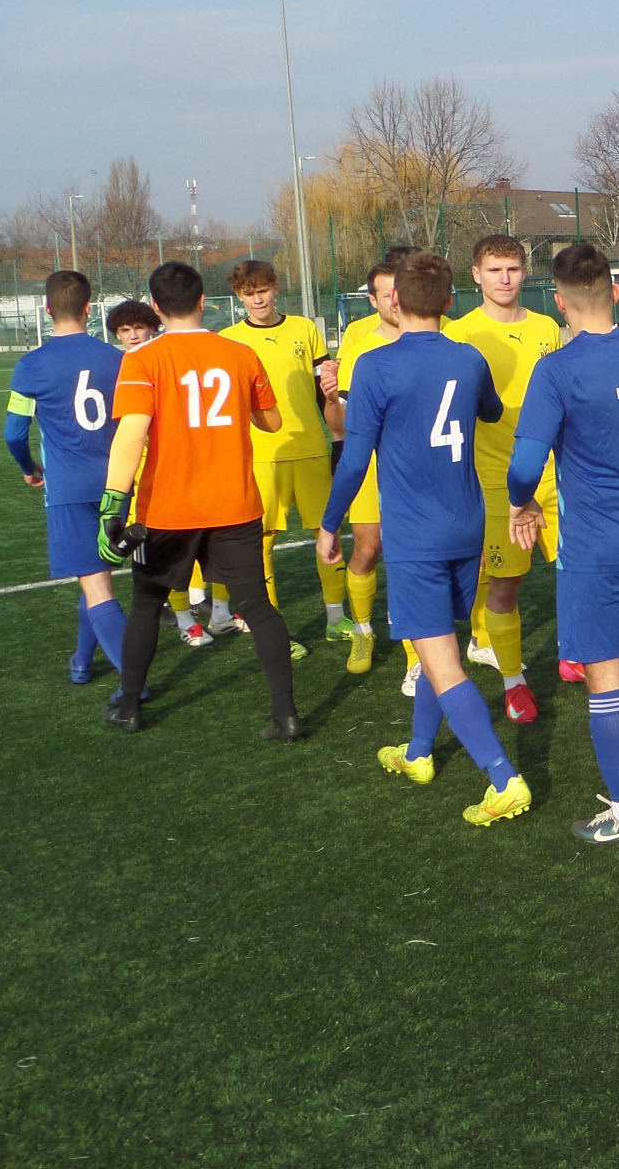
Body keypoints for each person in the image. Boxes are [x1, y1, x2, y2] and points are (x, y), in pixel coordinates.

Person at [318, 250, 531, 827]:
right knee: (443, 647)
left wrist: (330, 524)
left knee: (442, 660)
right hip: (466, 523)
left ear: (394, 300)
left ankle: (504, 778)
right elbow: (491, 412)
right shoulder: (469, 357)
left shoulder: (375, 366)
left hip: (416, 534)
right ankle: (418, 753)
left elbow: (355, 457)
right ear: (449, 301)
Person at [508, 245, 619, 846]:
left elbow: (524, 465)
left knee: (601, 670)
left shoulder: (555, 369)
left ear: (559, 303)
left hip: (596, 543)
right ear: (615, 293)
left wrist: (521, 502)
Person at [97, 262, 300, 739]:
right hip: (235, 504)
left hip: (167, 509)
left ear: (155, 307)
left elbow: (131, 434)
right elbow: (271, 422)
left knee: (147, 604)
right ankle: (286, 714)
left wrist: (112, 505)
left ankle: (129, 705)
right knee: (258, 606)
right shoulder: (240, 353)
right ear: (204, 301)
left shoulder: (142, 359)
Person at [446, 236, 560, 723]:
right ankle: (514, 683)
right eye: (494, 270)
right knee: (505, 585)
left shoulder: (547, 327)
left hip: (554, 474)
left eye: (513, 268)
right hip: (494, 477)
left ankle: (582, 654)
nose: (505, 279)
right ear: (476, 275)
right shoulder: (460, 333)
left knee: (583, 571)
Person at [6, 270, 130, 688]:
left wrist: (28, 468)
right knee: (95, 574)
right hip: (118, 482)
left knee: (96, 585)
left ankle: (135, 685)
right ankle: (81, 660)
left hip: (69, 487)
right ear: (88, 308)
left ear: (46, 309)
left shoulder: (31, 364)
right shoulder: (118, 359)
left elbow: (14, 433)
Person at [217, 260, 344, 658]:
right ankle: (271, 629)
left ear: (275, 288)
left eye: (263, 290)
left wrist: (336, 427)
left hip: (309, 448)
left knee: (327, 532)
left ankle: (337, 618)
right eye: (249, 293)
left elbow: (324, 390)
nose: (257, 299)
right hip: (260, 456)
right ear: (239, 296)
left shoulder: (305, 329)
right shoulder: (228, 340)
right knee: (262, 541)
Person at [106, 298, 214, 648]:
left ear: (153, 326)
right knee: (154, 548)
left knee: (194, 539)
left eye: (139, 327)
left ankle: (211, 606)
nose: (133, 335)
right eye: (125, 330)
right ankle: (184, 619)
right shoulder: (123, 366)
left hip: (177, 464)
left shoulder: (163, 360)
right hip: (137, 471)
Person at [334, 258, 406, 681]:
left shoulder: (441, 334)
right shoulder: (360, 343)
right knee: (368, 547)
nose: (396, 300)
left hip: (420, 466)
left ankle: (424, 648)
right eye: (386, 293)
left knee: (416, 553)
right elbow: (343, 420)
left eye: (401, 291)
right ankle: (363, 630)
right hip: (373, 463)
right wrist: (331, 397)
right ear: (373, 300)